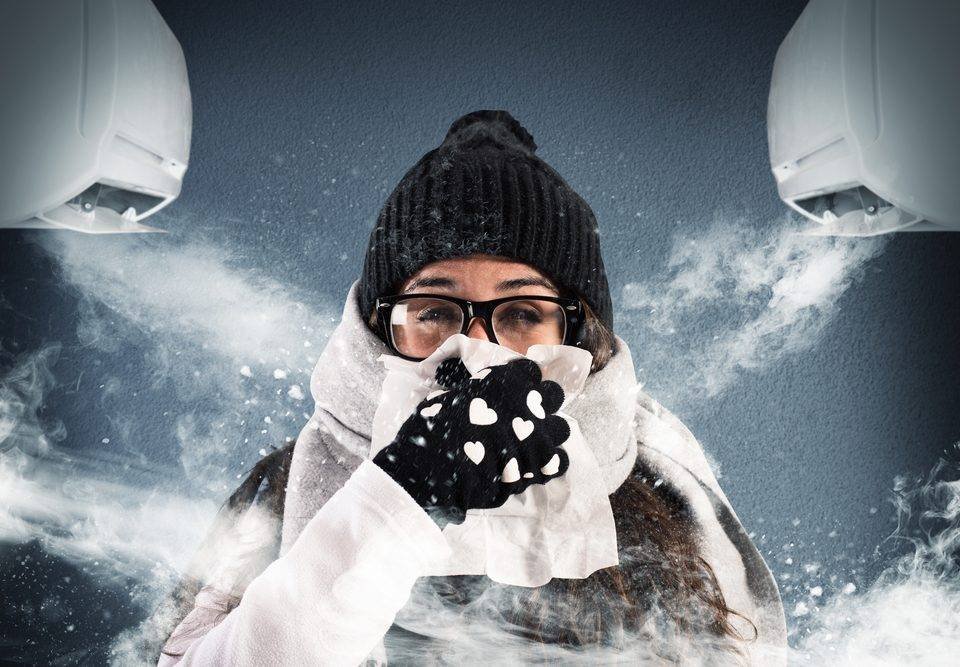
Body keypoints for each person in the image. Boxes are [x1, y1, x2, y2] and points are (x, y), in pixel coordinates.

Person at [145, 110, 787, 665]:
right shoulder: (283, 490)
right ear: (377, 327)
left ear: (580, 334)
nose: (477, 349)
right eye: (433, 312)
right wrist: (396, 496)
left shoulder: (665, 498)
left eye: (521, 313)